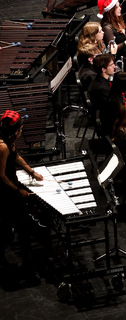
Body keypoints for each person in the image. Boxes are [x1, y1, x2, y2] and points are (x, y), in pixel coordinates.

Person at [1, 110, 45, 282]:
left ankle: (24, 264)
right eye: (20, 127)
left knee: (10, 228)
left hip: (11, 188)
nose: (22, 129)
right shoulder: (2, 146)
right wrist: (17, 190)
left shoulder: (9, 141)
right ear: (14, 130)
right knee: (19, 228)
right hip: (5, 192)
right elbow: (1, 176)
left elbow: (17, 157)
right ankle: (27, 268)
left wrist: (32, 172)